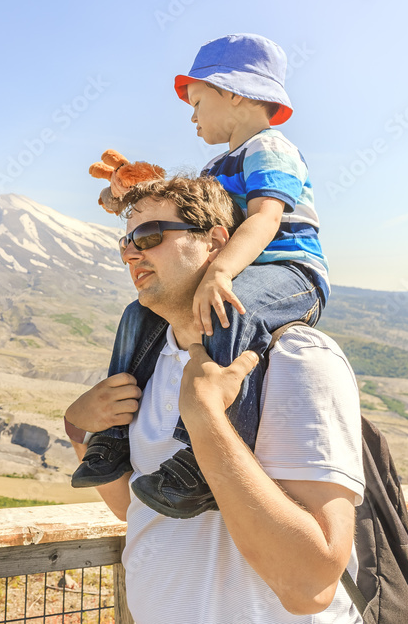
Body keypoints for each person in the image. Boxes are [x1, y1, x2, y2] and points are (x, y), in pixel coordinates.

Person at [64, 175, 364, 622]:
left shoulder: (296, 358)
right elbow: (141, 513)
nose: (131, 252)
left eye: (149, 236)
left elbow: (310, 587)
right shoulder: (152, 362)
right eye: (126, 240)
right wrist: (77, 428)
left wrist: (205, 420)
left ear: (217, 241)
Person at [73, 34, 330, 519]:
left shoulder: (271, 149)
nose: (191, 117)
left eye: (196, 101)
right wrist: (130, 198)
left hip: (289, 273)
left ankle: (206, 460)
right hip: (241, 268)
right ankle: (111, 435)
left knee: (236, 309)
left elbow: (265, 219)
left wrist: (223, 272)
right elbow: (189, 214)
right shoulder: (217, 166)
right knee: (136, 317)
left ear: (233, 92)